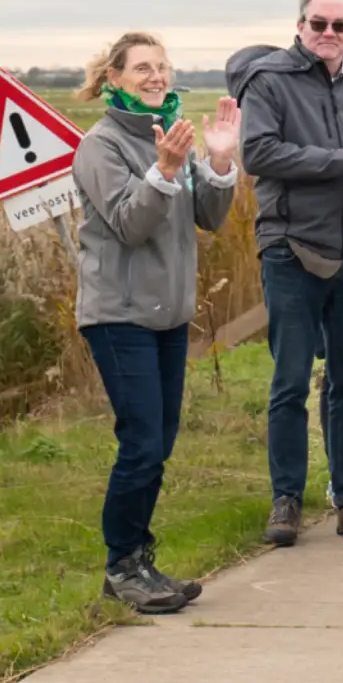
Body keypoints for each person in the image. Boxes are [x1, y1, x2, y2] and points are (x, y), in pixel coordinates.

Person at [227, 0, 343, 550]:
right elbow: (258, 153)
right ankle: (286, 498)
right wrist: (339, 160)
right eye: (318, 24)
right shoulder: (271, 81)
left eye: (339, 26)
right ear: (300, 25)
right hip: (292, 247)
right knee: (289, 381)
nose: (329, 35)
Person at [70, 33, 244, 614]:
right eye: (143, 68)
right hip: (118, 315)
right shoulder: (101, 146)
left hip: (168, 316)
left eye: (163, 67)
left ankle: (140, 561)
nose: (157, 76)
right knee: (141, 442)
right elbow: (128, 224)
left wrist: (218, 162)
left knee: (159, 441)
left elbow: (210, 217)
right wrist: (164, 170)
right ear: (113, 78)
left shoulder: (167, 133)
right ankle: (122, 565)